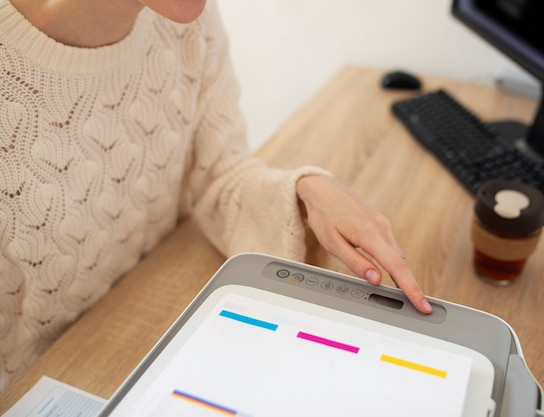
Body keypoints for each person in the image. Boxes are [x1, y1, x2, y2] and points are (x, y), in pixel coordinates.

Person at [0, 0, 432, 391]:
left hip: (151, 332)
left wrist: (305, 191)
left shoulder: (188, 21)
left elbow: (222, 173)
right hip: (35, 383)